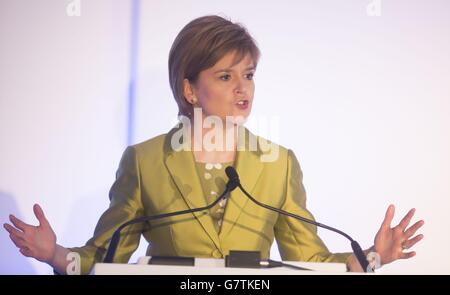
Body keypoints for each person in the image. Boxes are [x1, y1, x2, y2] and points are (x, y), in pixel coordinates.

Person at [3, 15, 424, 275]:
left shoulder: (277, 164)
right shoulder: (146, 161)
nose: (243, 89)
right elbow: (106, 259)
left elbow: (309, 262)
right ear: (189, 88)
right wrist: (54, 253)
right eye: (226, 76)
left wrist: (371, 258)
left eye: (250, 75)